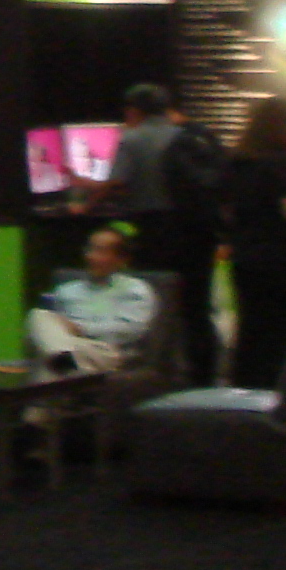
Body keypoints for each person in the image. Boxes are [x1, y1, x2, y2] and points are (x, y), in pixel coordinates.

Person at [99, 84, 222, 383]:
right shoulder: (192, 135)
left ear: (134, 110)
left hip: (156, 232)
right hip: (199, 232)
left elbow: (116, 183)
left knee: (155, 304)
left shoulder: (132, 138)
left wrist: (86, 200)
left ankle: (157, 376)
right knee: (196, 307)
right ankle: (204, 379)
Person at [217, 97, 286, 390]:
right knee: (276, 333)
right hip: (277, 258)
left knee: (250, 329)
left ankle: (242, 393)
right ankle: (273, 395)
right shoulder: (281, 163)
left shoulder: (236, 161)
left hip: (244, 257)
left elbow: (226, 210)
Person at [25, 227, 160, 375]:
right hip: (73, 347)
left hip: (108, 352)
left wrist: (81, 328)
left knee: (49, 360)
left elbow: (131, 330)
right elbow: (47, 331)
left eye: (101, 251)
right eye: (90, 249)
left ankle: (63, 361)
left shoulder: (135, 289)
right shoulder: (66, 290)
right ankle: (65, 361)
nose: (91, 256)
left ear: (120, 259)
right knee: (38, 315)